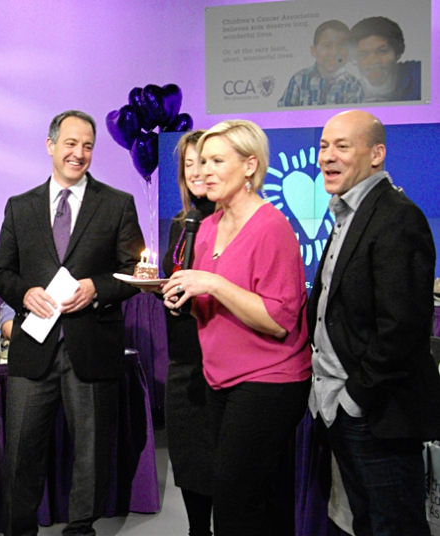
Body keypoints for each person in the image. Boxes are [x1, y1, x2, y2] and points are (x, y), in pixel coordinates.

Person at [0, 110, 144, 536]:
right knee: (20, 451)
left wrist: (97, 287)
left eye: (88, 146)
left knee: (91, 452)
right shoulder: (20, 207)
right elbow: (0, 272)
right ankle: (20, 528)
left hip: (91, 347)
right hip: (33, 346)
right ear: (51, 145)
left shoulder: (117, 204)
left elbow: (136, 273)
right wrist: (23, 293)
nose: (79, 153)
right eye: (71, 144)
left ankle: (81, 528)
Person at [161, 120, 311, 536]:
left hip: (269, 380)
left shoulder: (270, 226)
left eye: (216, 161)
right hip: (220, 379)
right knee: (252, 498)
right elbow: (213, 307)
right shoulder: (206, 227)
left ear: (250, 166)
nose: (204, 171)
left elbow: (279, 321)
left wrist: (211, 283)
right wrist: (183, 301)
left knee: (234, 502)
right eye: (202, 161)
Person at [309, 109, 440, 535]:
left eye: (342, 146)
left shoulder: (397, 216)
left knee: (393, 525)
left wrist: (355, 397)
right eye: (324, 145)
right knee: (361, 522)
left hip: (376, 413)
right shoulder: (347, 212)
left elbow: (401, 328)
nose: (327, 156)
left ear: (377, 154)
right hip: (343, 410)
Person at [160, 130, 215, 536]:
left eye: (207, 161)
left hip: (224, 361)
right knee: (190, 463)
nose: (197, 171)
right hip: (183, 359)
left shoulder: (240, 220)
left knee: (224, 467)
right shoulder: (182, 222)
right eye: (189, 163)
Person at [278, 20, 364, 107]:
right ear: (314, 51)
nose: (334, 52)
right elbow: (283, 114)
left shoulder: (353, 85)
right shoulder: (299, 79)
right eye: (327, 45)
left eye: (341, 46)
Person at [351, 16, 420, 102]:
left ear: (397, 52)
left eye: (382, 51)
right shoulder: (347, 92)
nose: (374, 61)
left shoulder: (418, 74)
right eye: (364, 54)